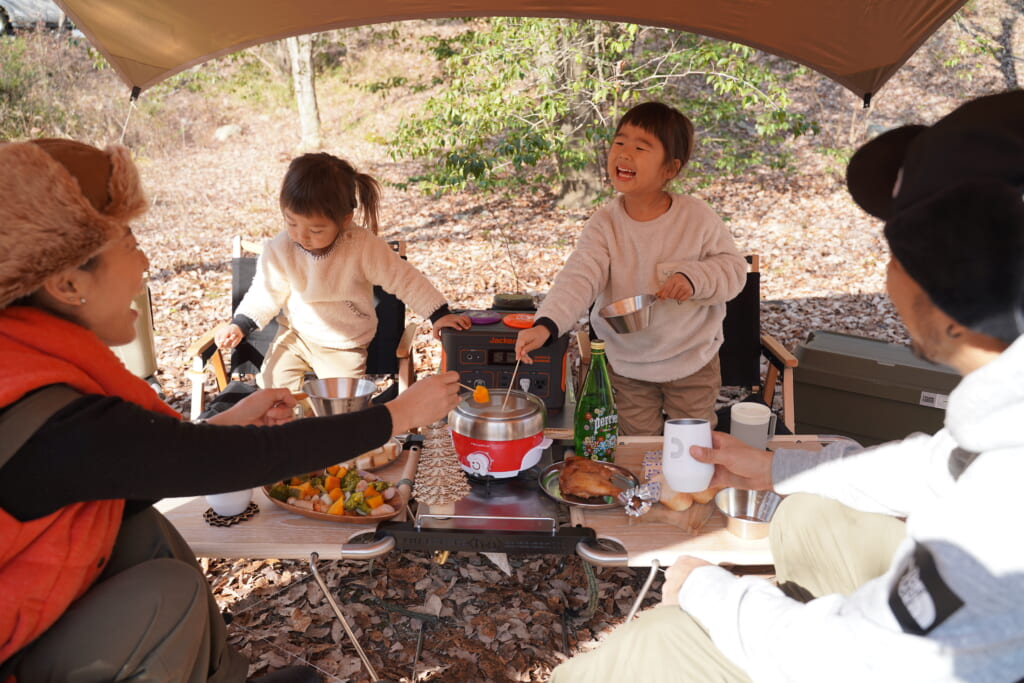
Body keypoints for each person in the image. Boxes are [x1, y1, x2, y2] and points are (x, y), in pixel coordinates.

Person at [549, 90, 1024, 681]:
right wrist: (775, 468)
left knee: (660, 638)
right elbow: (935, 465)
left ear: (960, 295)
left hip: (692, 367)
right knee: (801, 516)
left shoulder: (1001, 517)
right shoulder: (998, 432)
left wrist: (706, 589)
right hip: (631, 362)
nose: (887, 273)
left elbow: (857, 659)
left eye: (899, 250)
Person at [0, 138, 462, 682]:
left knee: (144, 533)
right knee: (164, 592)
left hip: (38, 608)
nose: (147, 261)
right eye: (129, 241)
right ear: (67, 282)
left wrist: (228, 422)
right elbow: (215, 462)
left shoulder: (34, 364)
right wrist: (397, 415)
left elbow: (155, 461)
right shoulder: (45, 414)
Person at [514, 102, 746, 434]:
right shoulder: (605, 223)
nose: (624, 153)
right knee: (636, 450)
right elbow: (579, 277)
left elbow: (733, 271)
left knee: (692, 448)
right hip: (626, 364)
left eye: (641, 147)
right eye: (619, 142)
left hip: (692, 358)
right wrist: (546, 325)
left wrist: (694, 279)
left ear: (670, 169)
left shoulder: (696, 217)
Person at [214, 152, 470, 391]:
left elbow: (404, 279)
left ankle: (325, 432)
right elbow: (265, 292)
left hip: (344, 344)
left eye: (315, 230)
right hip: (296, 335)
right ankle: (291, 432)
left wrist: (439, 315)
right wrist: (240, 325)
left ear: (345, 219)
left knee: (343, 403)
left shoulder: (361, 246)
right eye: (291, 222)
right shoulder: (282, 247)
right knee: (272, 387)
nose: (301, 236)